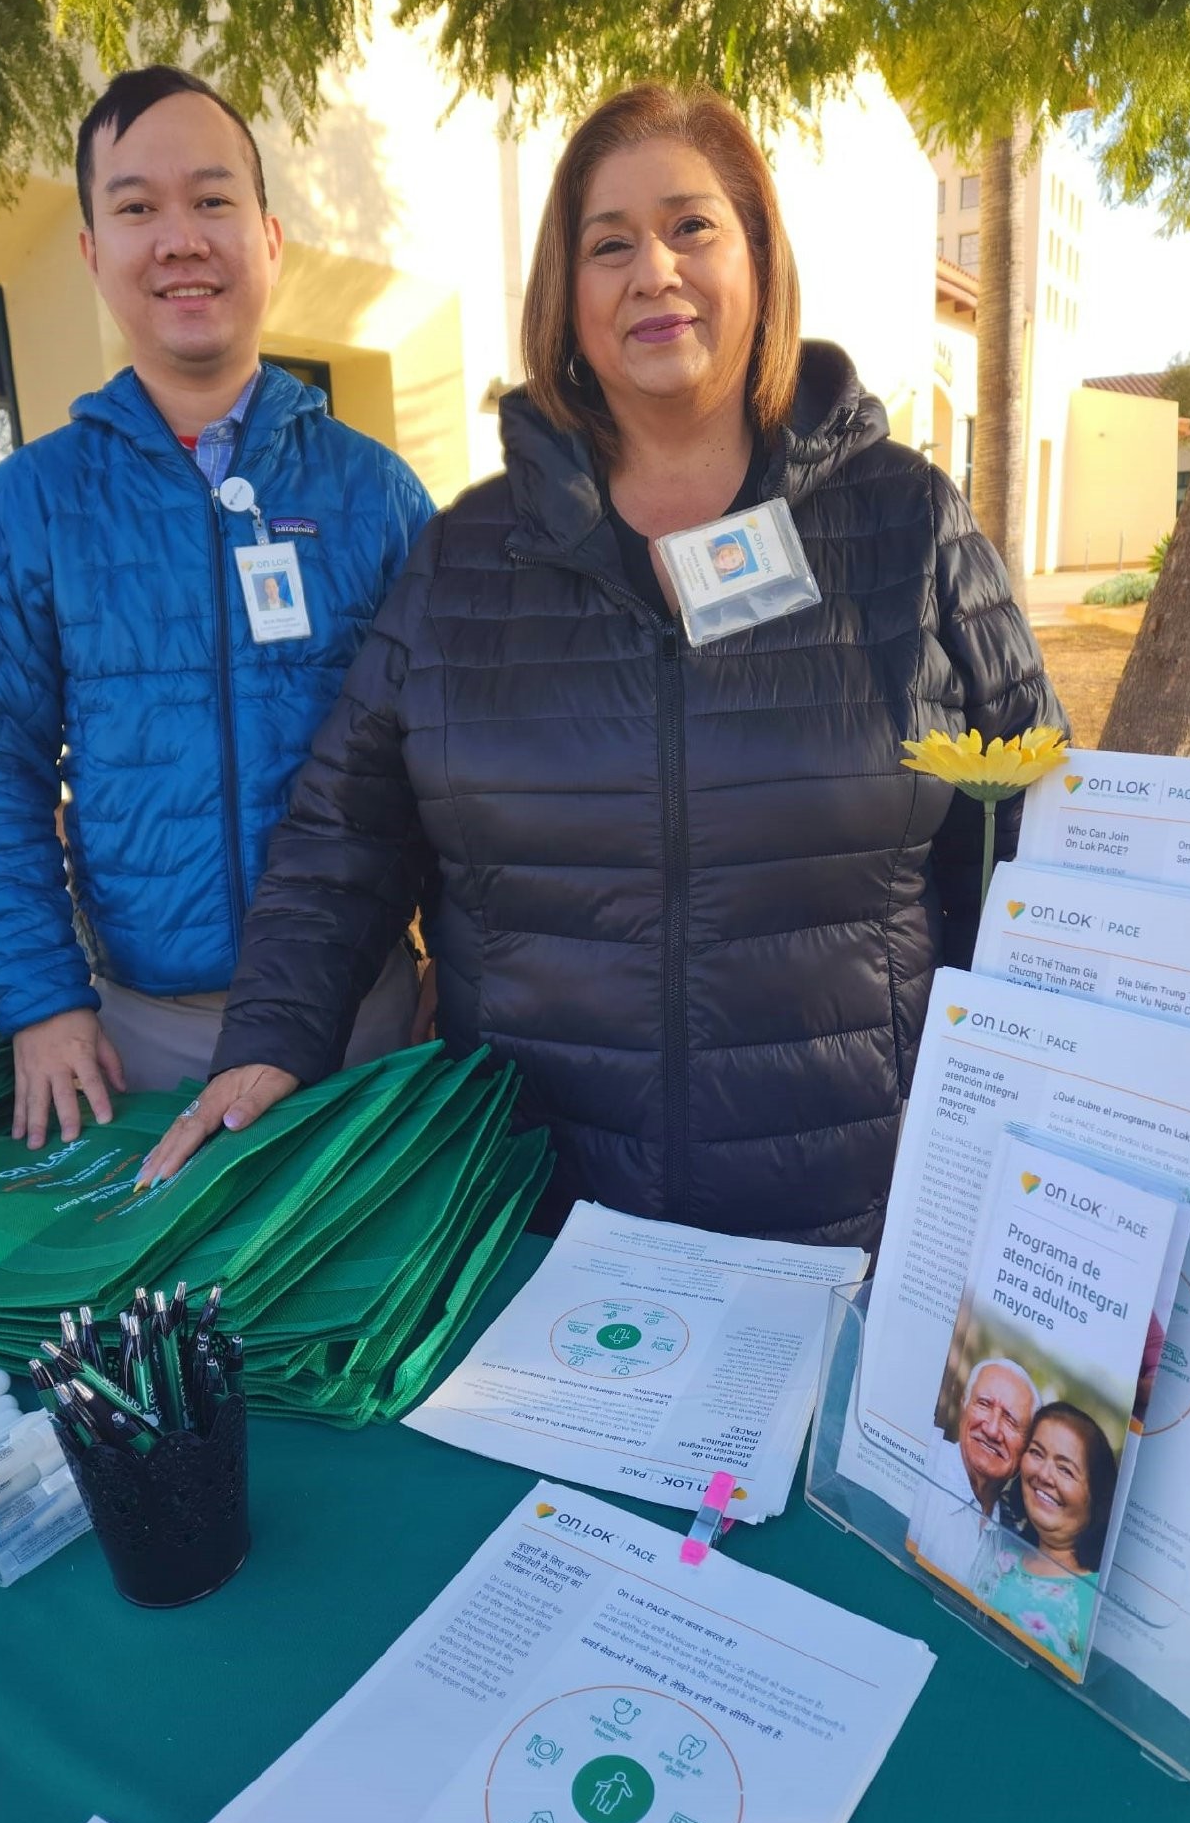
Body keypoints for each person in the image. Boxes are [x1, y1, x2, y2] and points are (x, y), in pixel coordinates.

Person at [138, 82, 1063, 1242]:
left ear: (761, 259)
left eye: (691, 227)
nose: (654, 272)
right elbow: (344, 835)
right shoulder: (466, 556)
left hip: (857, 1221)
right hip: (537, 1230)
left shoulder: (908, 525)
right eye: (608, 243)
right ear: (565, 298)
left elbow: (1034, 838)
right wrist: (271, 1043)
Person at [0, 65, 435, 1148]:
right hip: (138, 1042)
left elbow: (450, 767)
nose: (179, 238)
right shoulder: (33, 504)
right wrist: (42, 998)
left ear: (268, 236)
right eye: (135, 208)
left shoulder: (377, 495)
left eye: (212, 201)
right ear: (91, 252)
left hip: (366, 1020)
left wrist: (462, 975)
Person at [981, 1402, 1116, 1674]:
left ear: (1097, 1498)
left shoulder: (1097, 1605)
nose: (1043, 1475)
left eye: (1065, 1470)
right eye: (1036, 1453)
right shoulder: (1000, 1548)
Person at [910, 1358, 1040, 1592]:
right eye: (984, 1404)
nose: (992, 1430)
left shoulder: (1012, 1541)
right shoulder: (920, 1461)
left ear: (1028, 1446)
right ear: (964, 1405)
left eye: (1011, 1421)